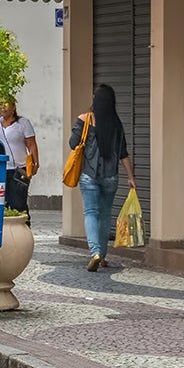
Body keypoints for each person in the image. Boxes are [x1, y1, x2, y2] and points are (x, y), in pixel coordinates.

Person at [73, 83, 139, 271]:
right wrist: (131, 177)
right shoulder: (116, 123)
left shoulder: (84, 120)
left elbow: (72, 144)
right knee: (105, 215)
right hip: (111, 176)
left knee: (90, 213)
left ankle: (94, 252)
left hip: (89, 175)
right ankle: (101, 256)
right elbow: (123, 153)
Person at [0, 98, 39, 216]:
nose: (3, 108)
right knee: (1, 202)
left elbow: (31, 144)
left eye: (6, 105)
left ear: (13, 107)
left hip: (19, 169)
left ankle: (23, 227)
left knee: (18, 203)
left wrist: (35, 163)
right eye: (0, 105)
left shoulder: (23, 123)